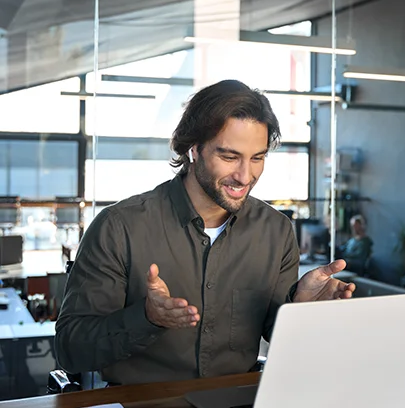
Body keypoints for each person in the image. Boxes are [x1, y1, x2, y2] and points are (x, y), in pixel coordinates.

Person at [55, 80, 355, 385]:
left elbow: (277, 337)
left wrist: (299, 311)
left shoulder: (275, 231)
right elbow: (71, 350)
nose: (245, 176)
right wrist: (146, 318)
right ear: (193, 148)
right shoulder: (119, 227)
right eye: (229, 157)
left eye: (257, 158)